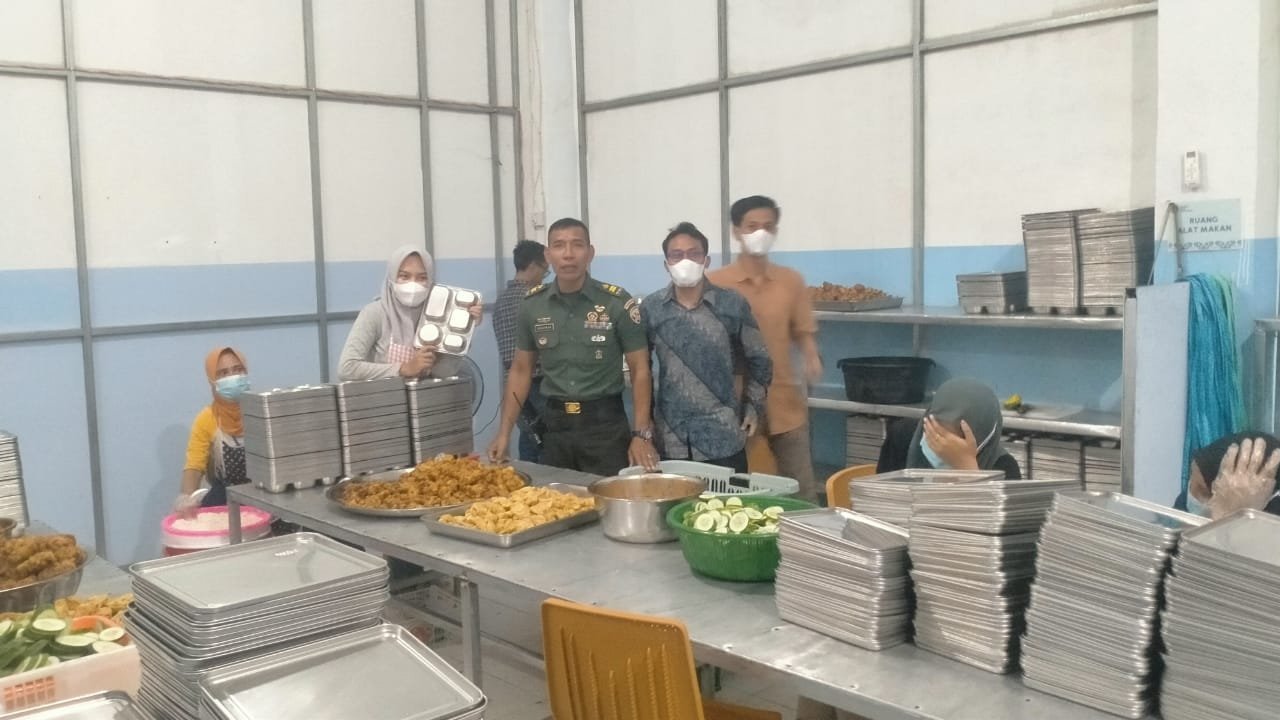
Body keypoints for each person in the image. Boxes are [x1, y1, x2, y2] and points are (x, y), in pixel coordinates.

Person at [486, 217, 659, 475]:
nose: (568, 254)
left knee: (608, 495)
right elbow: (520, 370)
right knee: (554, 496)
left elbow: (640, 369)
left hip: (605, 427)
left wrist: (641, 434)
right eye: (559, 246)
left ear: (590, 253)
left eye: (577, 245)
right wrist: (504, 433)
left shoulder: (616, 302)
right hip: (555, 427)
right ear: (548, 256)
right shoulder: (532, 305)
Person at [707, 195, 821, 500]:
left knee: (801, 488)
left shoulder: (790, 281)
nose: (760, 233)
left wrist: (811, 356)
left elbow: (803, 330)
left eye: (768, 226)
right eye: (752, 226)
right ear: (736, 230)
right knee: (747, 490)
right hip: (737, 403)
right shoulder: (715, 283)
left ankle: (805, 529)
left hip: (786, 400)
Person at [642, 222, 772, 472]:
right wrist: (644, 427)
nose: (685, 261)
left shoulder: (731, 304)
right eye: (677, 255)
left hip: (723, 436)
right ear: (666, 264)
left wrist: (753, 405)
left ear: (706, 260)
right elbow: (641, 368)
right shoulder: (652, 308)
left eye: (694, 254)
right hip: (671, 438)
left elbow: (759, 358)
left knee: (727, 498)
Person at [338, 245, 481, 382]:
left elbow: (443, 373)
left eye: (422, 278)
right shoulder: (375, 313)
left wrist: (465, 329)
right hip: (384, 398)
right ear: (391, 278)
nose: (413, 284)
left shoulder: (437, 317)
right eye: (404, 276)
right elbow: (347, 368)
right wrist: (403, 368)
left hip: (425, 397)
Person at [886, 377, 1022, 479]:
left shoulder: (1004, 467)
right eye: (938, 430)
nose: (944, 445)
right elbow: (882, 497)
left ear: (983, 436)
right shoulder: (902, 437)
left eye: (958, 437)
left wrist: (967, 468)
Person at [175, 347, 252, 514]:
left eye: (238, 369)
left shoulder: (263, 410)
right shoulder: (207, 419)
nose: (232, 377)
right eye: (223, 373)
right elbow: (195, 465)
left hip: (266, 498)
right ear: (212, 380)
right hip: (225, 502)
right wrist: (186, 497)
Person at [493, 240, 549, 462]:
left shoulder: (500, 301)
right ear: (534, 266)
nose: (544, 277)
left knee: (529, 436)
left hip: (512, 385)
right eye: (545, 271)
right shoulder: (534, 299)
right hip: (537, 380)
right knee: (546, 440)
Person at [1182, 432, 1280, 518]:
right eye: (1191, 475)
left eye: (1202, 491)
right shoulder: (1183, 502)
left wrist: (1229, 517)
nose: (1191, 496)